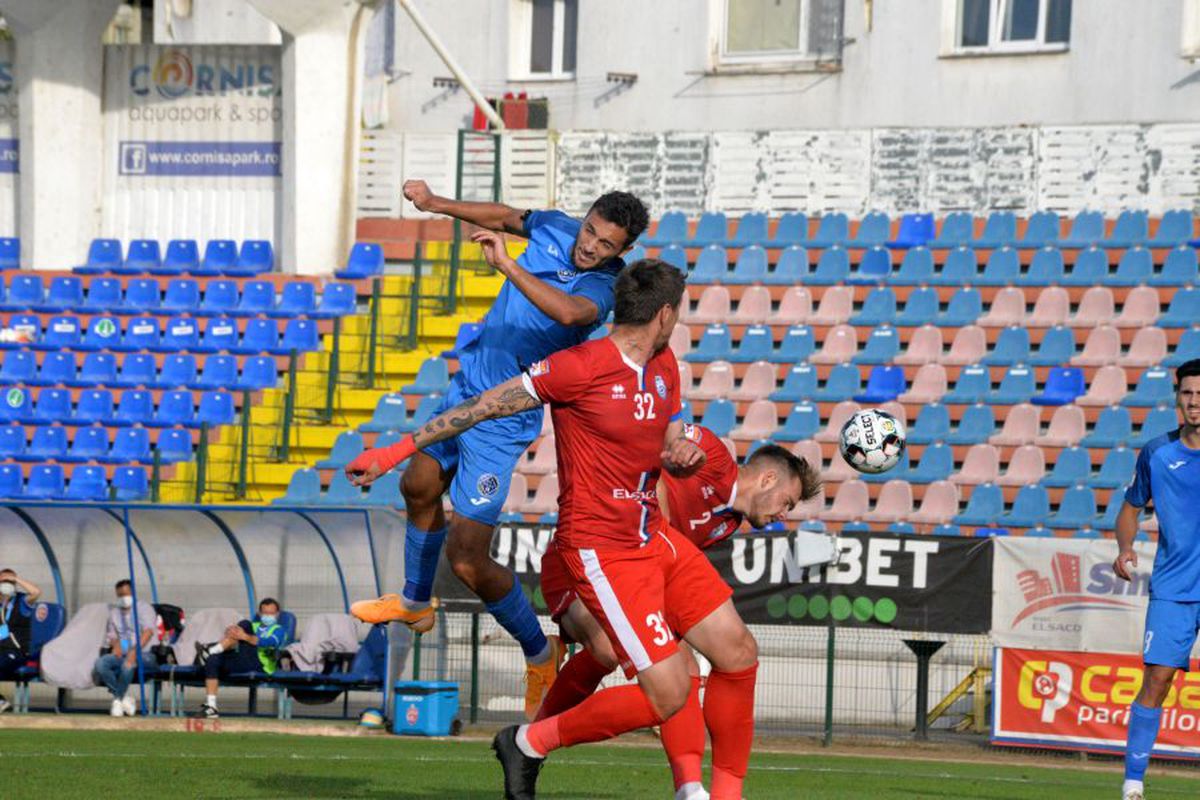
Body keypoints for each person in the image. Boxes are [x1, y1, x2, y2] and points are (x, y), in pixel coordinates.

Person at [346, 259, 759, 800]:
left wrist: (679, 453)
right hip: (603, 548)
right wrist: (396, 451)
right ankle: (528, 743)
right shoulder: (580, 366)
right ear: (664, 314)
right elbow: (482, 406)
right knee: (669, 690)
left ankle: (724, 795)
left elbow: (669, 438)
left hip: (653, 534)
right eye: (678, 311)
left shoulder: (664, 365)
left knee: (738, 650)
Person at [349, 179, 649, 718]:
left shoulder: (607, 285)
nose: (590, 246)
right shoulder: (555, 225)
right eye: (590, 232)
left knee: (466, 559)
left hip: (505, 415)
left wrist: (509, 266)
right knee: (417, 484)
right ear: (584, 218)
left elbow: (570, 314)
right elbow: (507, 216)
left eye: (606, 244)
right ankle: (415, 603)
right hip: (468, 384)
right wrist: (437, 204)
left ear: (622, 251)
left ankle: (540, 652)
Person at [536, 429, 821, 800]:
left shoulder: (726, 524)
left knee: (689, 664)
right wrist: (671, 460)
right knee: (605, 648)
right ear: (768, 479)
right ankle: (533, 739)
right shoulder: (712, 455)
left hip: (641, 575)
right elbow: (652, 437)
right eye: (787, 502)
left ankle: (691, 790)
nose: (783, 515)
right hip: (582, 557)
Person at [1113, 358, 1200, 800]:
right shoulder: (1157, 453)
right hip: (1175, 589)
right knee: (1157, 680)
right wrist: (1125, 546)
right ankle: (1133, 783)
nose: (1195, 401)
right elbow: (1130, 509)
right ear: (1177, 398)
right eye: (1188, 393)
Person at [192, 598, 287, 719]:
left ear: (277, 614)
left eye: (271, 613)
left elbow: (268, 642)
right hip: (243, 659)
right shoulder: (254, 626)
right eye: (265, 613)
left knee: (244, 624)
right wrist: (231, 632)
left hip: (261, 665)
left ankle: (210, 650)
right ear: (259, 613)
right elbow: (235, 639)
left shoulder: (279, 630)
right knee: (213, 660)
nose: (268, 616)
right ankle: (211, 707)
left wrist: (244, 636)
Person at [92, 579, 157, 717]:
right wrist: (117, 646)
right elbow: (113, 636)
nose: (123, 598)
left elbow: (148, 632)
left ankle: (117, 700)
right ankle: (123, 699)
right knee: (101, 664)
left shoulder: (144, 608)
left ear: (133, 593)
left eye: (126, 594)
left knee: (128, 664)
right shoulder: (115, 613)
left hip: (144, 652)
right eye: (120, 595)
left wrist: (134, 651)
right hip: (126, 649)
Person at [0, 567, 42, 714]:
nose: (7, 584)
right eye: (4, 581)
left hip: (17, 652)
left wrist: (15, 579)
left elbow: (36, 592)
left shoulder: (22, 601)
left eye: (10, 582)